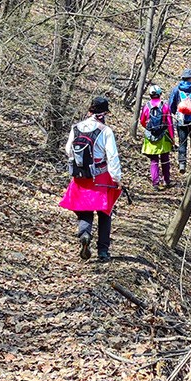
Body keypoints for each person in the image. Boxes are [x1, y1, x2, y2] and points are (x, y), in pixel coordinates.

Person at [59, 95, 122, 262]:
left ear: (90, 110)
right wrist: (117, 178)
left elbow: (68, 150)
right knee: (104, 213)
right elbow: (112, 156)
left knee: (84, 210)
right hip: (101, 176)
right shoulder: (106, 131)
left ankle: (85, 234)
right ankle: (103, 251)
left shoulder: (76, 127)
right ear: (105, 113)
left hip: (81, 177)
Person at [139, 86, 175, 189]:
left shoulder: (146, 106)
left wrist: (149, 128)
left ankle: (155, 183)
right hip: (163, 136)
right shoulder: (165, 106)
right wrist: (172, 138)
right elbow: (169, 123)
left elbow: (142, 120)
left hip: (150, 136)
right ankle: (166, 181)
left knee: (153, 160)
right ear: (160, 94)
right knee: (165, 159)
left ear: (150, 95)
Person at [169, 68, 191, 172]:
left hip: (181, 120)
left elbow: (171, 105)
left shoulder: (176, 90)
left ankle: (182, 164)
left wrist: (175, 112)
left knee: (182, 142)